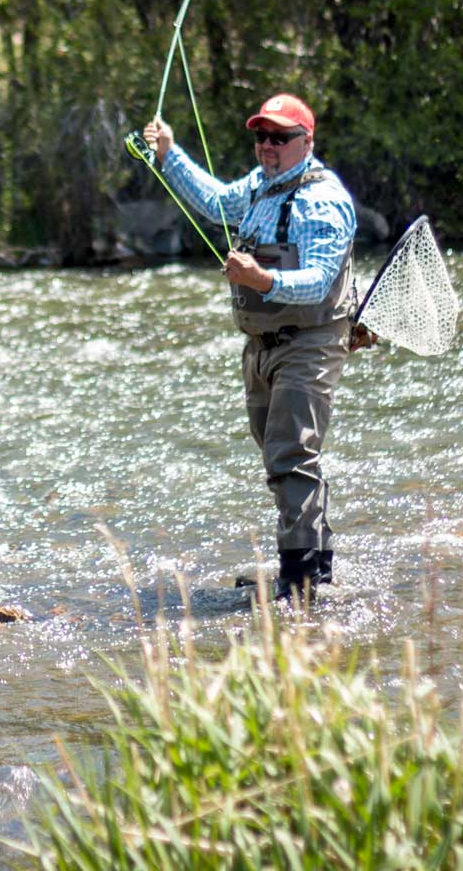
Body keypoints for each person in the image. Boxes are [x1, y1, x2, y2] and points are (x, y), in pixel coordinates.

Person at [142, 92, 357, 603]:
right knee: (277, 452)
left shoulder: (322, 200)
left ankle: (301, 580)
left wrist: (262, 279)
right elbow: (216, 203)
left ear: (307, 141)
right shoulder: (261, 185)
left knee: (291, 454)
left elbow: (319, 280)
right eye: (261, 136)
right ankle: (313, 564)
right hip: (261, 344)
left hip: (309, 342)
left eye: (280, 137)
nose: (267, 146)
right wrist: (170, 156)